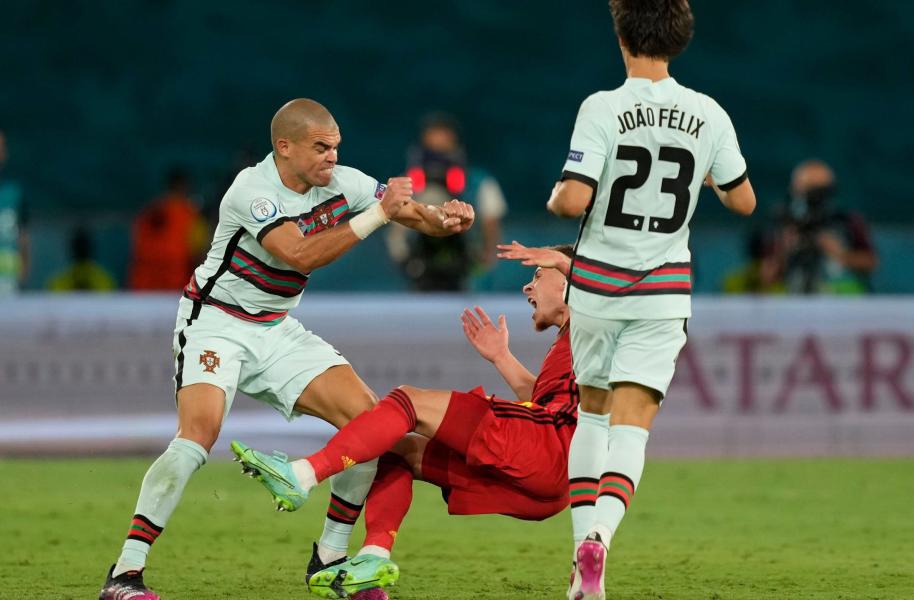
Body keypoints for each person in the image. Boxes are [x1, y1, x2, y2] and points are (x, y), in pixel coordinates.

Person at [99, 98, 475, 600]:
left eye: (336, 147)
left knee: (368, 426)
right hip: (216, 323)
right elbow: (298, 252)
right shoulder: (253, 191)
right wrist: (376, 217)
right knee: (197, 438)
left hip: (276, 327)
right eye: (321, 148)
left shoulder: (344, 183)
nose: (331, 158)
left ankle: (329, 559)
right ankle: (126, 572)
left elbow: (411, 214)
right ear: (285, 147)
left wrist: (444, 220)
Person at [532, 1, 757, 597]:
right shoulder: (709, 114)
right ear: (679, 39)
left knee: (592, 415)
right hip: (662, 292)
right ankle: (599, 540)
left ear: (622, 36)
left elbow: (573, 200)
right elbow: (744, 203)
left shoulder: (602, 108)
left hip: (599, 288)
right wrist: (704, 173)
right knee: (633, 427)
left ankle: (583, 579)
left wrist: (557, 198)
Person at [230, 244, 577, 598]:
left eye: (538, 275)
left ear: (569, 284)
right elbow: (545, 399)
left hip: (546, 446)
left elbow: (616, 289)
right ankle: (370, 558)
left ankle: (303, 475)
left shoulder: (596, 319)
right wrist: (502, 357)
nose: (527, 287)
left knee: (408, 400)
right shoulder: (571, 341)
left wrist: (569, 265)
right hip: (551, 485)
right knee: (398, 448)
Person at [386, 112, 508, 291]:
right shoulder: (406, 182)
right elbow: (395, 231)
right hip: (420, 266)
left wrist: (485, 262)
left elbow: (491, 226)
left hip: (466, 268)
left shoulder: (479, 182)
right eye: (432, 149)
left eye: (443, 147)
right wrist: (405, 262)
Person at [775, 159, 878, 294]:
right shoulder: (787, 223)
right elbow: (768, 274)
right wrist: (785, 251)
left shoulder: (845, 222)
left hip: (843, 302)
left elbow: (872, 262)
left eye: (817, 192)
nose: (812, 199)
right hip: (797, 300)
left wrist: (841, 254)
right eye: (806, 191)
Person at [0, 129, 29, 294]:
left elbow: (24, 238)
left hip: (10, 285)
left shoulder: (14, 193)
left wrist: (23, 276)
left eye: (3, 146)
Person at [47, 227, 117, 292]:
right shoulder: (105, 280)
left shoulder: (58, 282)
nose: (81, 250)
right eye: (79, 247)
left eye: (83, 247)